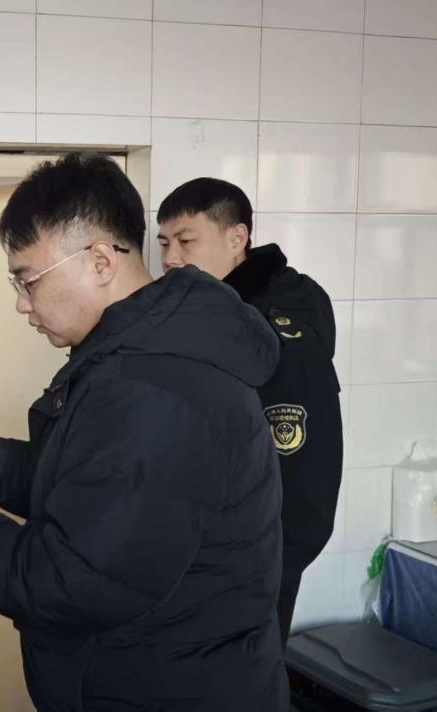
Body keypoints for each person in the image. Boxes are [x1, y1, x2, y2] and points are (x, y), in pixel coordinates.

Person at [0, 153, 289, 711]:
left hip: (170, 692)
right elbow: (105, 488)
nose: (21, 303)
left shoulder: (156, 388)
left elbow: (74, 580)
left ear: (101, 261)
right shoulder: (135, 356)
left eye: (28, 280)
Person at [156, 177, 343, 642]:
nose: (170, 258)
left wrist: (264, 567)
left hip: (250, 569)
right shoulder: (206, 308)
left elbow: (304, 479)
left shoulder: (277, 326)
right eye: (163, 243)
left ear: (236, 238)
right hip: (201, 551)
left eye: (185, 241)